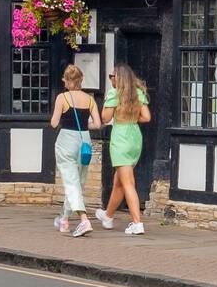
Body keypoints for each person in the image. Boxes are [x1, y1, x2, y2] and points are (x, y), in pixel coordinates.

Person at [95, 63, 151, 235]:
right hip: (134, 137)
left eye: (112, 76)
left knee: (128, 183)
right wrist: (132, 117)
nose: (111, 79)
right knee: (119, 181)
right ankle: (108, 215)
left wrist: (107, 103)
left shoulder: (114, 94)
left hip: (120, 137)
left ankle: (137, 223)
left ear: (118, 78)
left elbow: (105, 118)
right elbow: (146, 117)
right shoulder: (138, 93)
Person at [49, 64, 102, 237]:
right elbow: (97, 124)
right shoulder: (89, 99)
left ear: (68, 80)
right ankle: (64, 220)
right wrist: (83, 125)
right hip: (84, 140)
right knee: (77, 182)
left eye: (64, 78)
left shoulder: (62, 98)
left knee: (71, 182)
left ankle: (84, 220)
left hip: (66, 140)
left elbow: (54, 123)